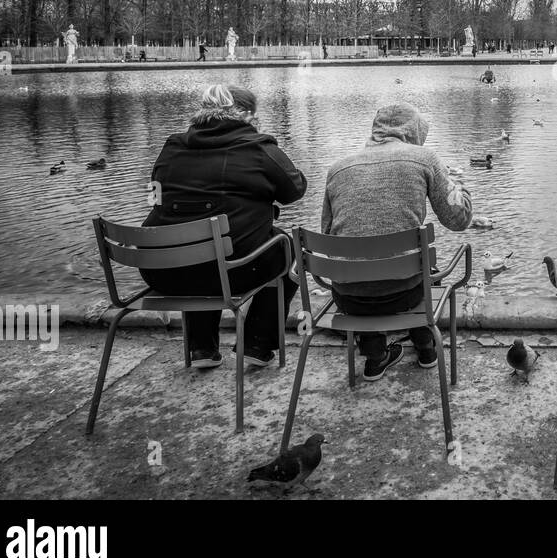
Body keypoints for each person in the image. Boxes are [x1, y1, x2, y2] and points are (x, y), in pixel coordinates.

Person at [142, 85, 306, 368]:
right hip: (231, 273)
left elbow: (155, 195)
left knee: (198, 245)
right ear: (249, 115)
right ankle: (257, 343)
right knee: (288, 248)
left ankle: (201, 348)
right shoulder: (258, 147)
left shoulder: (172, 146)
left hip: (162, 272)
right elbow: (294, 190)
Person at [321, 103, 473, 378]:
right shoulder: (424, 159)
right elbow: (458, 220)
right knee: (421, 268)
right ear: (415, 131)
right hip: (407, 293)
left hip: (349, 299)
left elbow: (329, 234)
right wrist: (460, 190)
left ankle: (375, 356)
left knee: (367, 268)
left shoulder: (338, 169)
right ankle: (426, 347)